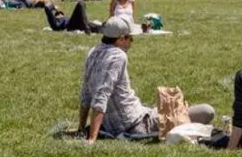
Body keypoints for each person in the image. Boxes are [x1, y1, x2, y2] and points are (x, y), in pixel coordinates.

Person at [78, 16, 215, 143]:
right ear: (121, 39)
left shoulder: (93, 52)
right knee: (206, 111)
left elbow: (86, 94)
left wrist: (81, 128)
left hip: (133, 117)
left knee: (173, 107)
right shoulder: (118, 56)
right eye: (130, 38)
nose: (132, 42)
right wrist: (91, 138)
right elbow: (102, 96)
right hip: (136, 124)